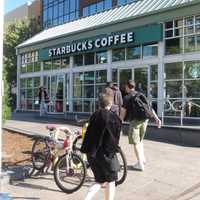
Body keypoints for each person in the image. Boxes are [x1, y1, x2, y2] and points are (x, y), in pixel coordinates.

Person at [81, 93, 122, 200]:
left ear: (99, 103)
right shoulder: (114, 117)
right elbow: (114, 138)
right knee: (111, 181)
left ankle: (87, 198)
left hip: (91, 153)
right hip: (105, 154)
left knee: (99, 180)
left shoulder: (94, 115)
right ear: (111, 103)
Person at [120, 80, 161, 171]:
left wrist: (119, 122)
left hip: (135, 121)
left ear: (127, 86)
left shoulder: (127, 97)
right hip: (145, 120)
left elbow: (123, 112)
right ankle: (142, 159)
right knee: (140, 140)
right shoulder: (140, 94)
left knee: (136, 142)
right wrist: (156, 118)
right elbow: (149, 107)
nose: (124, 88)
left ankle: (140, 164)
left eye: (125, 86)